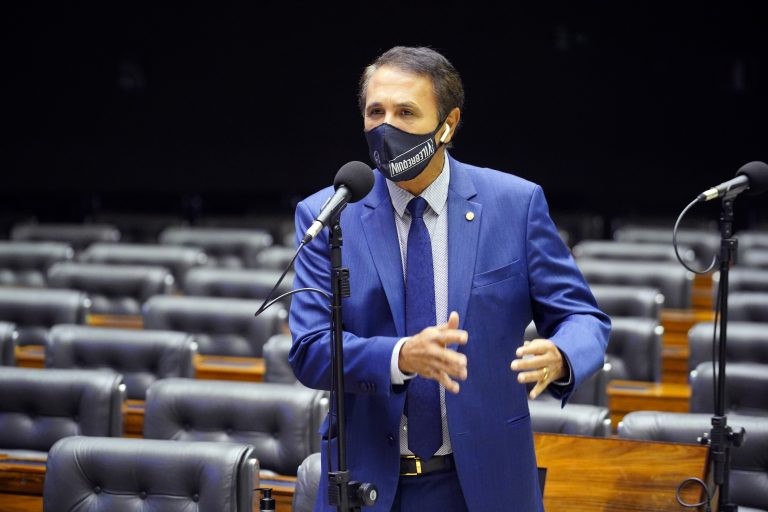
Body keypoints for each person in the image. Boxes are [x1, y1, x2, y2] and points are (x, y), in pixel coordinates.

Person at [288, 45, 611, 512]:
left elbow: (584, 317)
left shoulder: (513, 205)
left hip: (485, 482)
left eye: (405, 112)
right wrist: (400, 356)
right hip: (367, 484)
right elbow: (309, 351)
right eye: (375, 112)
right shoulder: (329, 214)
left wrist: (562, 354)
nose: (387, 128)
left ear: (448, 124)